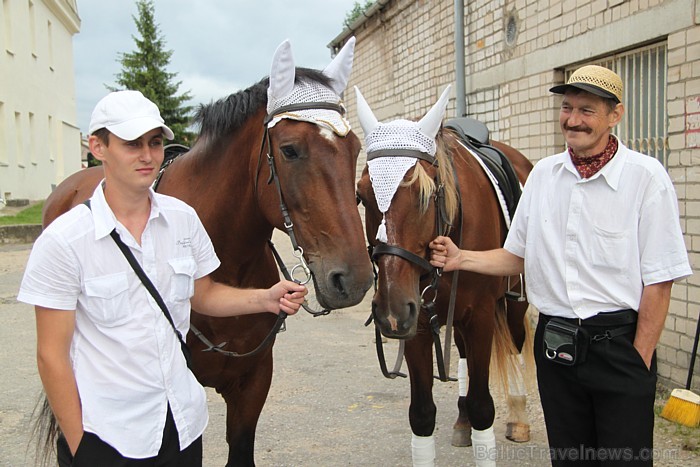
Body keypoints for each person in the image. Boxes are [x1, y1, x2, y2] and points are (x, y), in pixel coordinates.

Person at [17, 90, 307, 466]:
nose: (148, 155)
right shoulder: (64, 240)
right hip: (107, 436)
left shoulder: (183, 220)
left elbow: (200, 293)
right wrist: (81, 447)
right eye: (131, 143)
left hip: (181, 427)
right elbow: (51, 356)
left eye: (155, 142)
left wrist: (264, 298)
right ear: (97, 147)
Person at [430, 66, 692, 465]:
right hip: (556, 348)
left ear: (614, 115)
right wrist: (461, 257)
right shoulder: (544, 177)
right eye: (567, 107)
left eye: (586, 110)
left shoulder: (646, 178)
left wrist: (639, 357)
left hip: (618, 347)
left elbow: (660, 279)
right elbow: (518, 255)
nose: (572, 120)